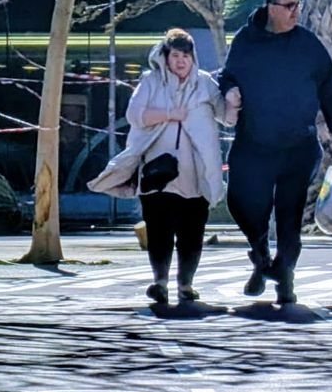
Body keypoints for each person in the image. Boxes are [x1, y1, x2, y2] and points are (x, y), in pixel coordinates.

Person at [219, 0, 332, 305]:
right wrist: (230, 91)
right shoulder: (246, 40)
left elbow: (329, 89)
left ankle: (285, 277)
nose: (297, 11)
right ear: (271, 8)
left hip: (298, 144)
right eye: (290, 5)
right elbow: (228, 75)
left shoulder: (307, 43)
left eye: (299, 5)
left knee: (289, 216)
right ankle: (261, 256)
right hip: (253, 143)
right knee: (242, 204)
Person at [89, 28, 228, 304]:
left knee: (192, 232)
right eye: (175, 55)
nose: (181, 61)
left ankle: (186, 285)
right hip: (157, 174)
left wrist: (233, 102)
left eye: (186, 56)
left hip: (196, 175)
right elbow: (134, 115)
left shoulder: (205, 83)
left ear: (193, 58)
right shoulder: (151, 82)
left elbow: (226, 116)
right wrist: (169, 114)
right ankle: (160, 282)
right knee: (159, 230)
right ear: (166, 57)